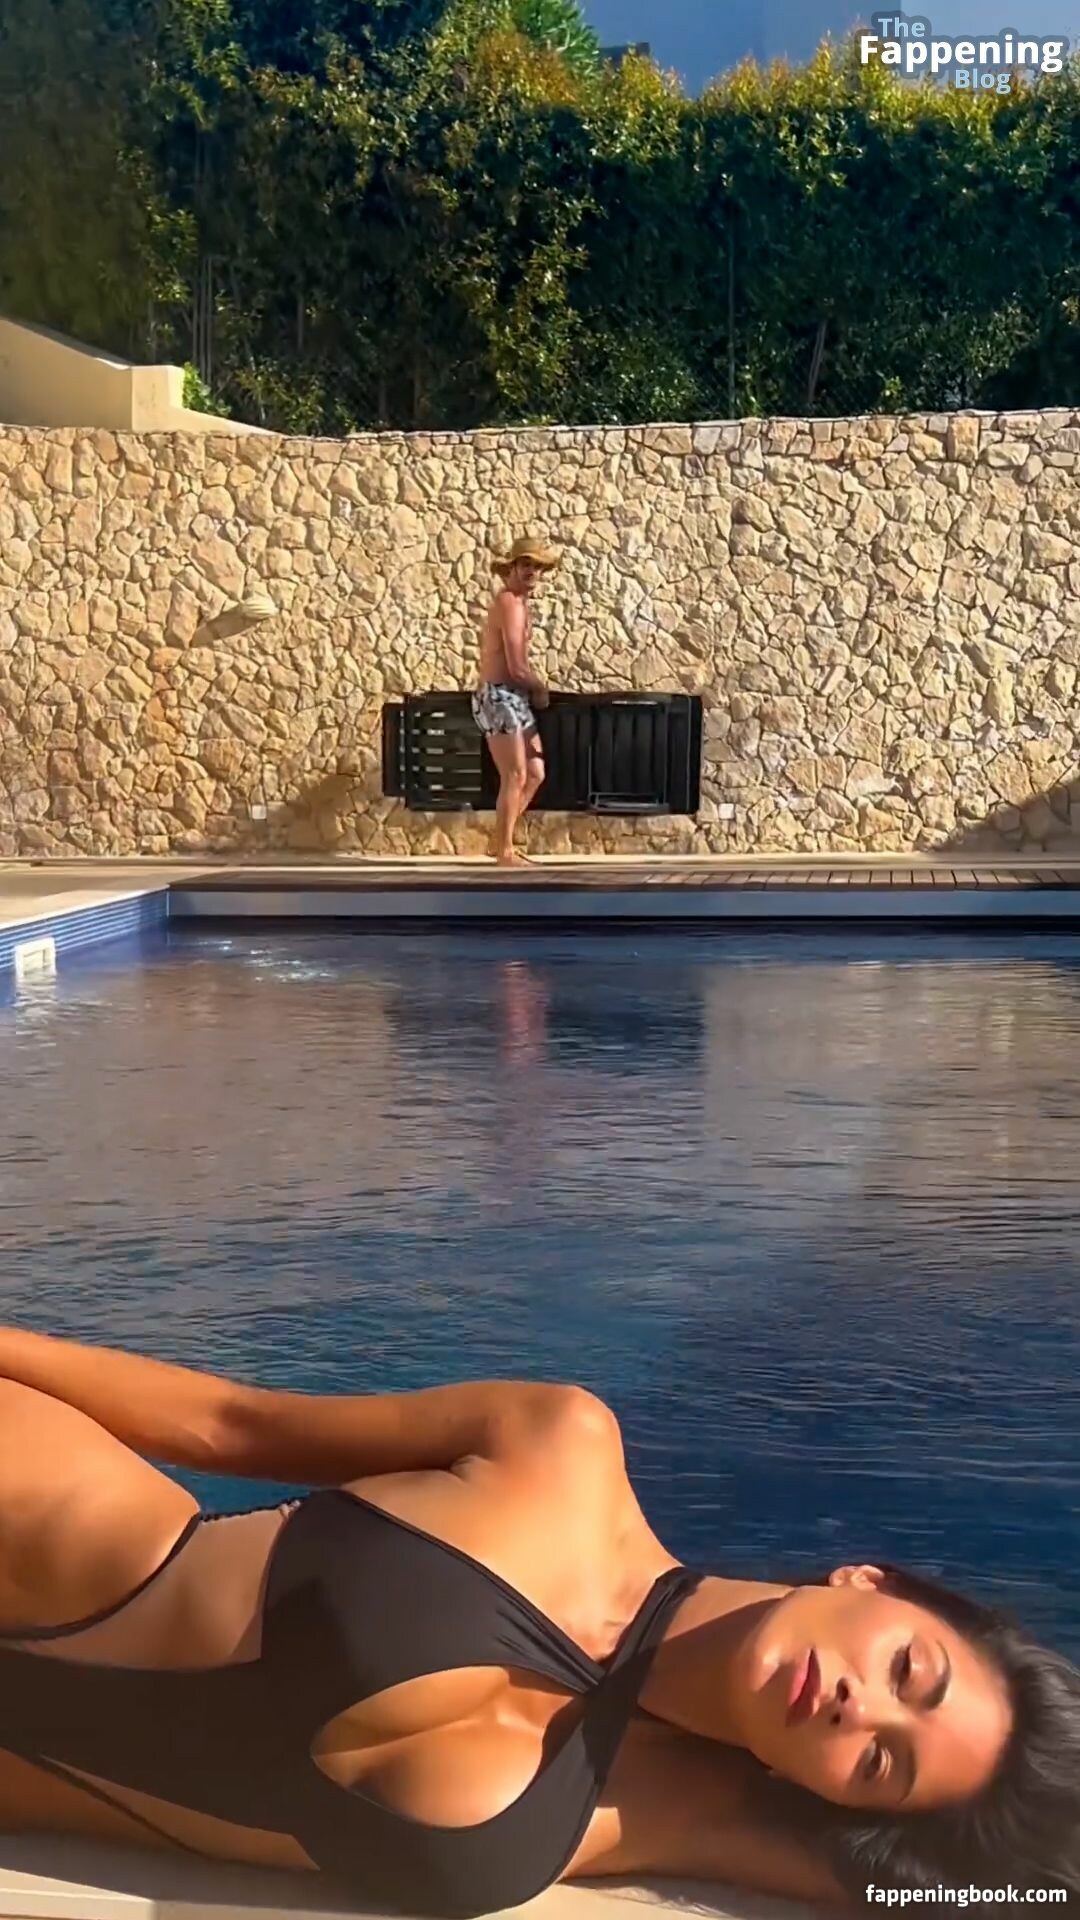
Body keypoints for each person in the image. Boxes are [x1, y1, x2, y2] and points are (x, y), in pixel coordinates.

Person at [0, 1327, 1074, 1917]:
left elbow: (1004, 1893)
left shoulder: (684, 1816)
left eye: (882, 1764)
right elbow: (233, 1424)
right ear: (872, 1583)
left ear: (839, 1798)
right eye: (909, 1672)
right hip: (52, 1527)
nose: (859, 1709)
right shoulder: (560, 1449)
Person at [472, 534, 558, 868]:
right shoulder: (509, 602)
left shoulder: (520, 604)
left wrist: (531, 689)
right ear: (511, 568)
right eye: (525, 564)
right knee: (516, 774)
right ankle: (505, 852)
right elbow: (516, 667)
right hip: (498, 696)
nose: (532, 571)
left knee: (535, 772)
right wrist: (540, 688)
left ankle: (500, 841)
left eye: (537, 566)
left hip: (514, 697)